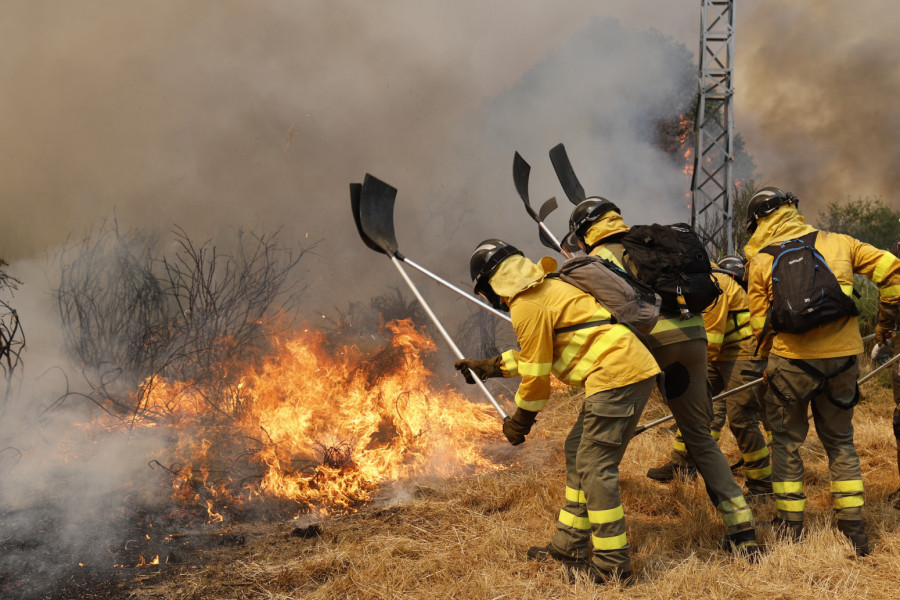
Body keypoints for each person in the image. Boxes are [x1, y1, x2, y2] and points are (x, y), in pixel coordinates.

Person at [455, 239, 660, 584]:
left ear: (491, 285)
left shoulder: (526, 305)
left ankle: (613, 566)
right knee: (577, 451)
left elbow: (536, 379)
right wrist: (488, 367)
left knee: (595, 465)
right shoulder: (543, 290)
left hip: (617, 375)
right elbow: (538, 354)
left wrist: (519, 423)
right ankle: (569, 546)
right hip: (619, 371)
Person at [562, 199, 759, 555]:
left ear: (584, 234)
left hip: (648, 344)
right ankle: (742, 530)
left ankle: (575, 541)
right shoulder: (651, 246)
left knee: (591, 450)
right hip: (694, 338)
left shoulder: (597, 260)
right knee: (700, 436)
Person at [744, 187, 900, 556]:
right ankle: (853, 527)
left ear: (758, 223)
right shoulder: (839, 242)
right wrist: (885, 327)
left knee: (786, 442)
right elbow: (894, 274)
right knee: (841, 442)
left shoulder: (762, 260)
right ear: (793, 210)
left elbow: (757, 325)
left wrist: (769, 362)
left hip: (791, 361)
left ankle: (790, 525)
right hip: (844, 359)